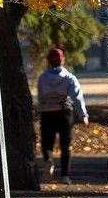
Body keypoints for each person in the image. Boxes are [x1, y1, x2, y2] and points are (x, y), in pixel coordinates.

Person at [37, 46, 88, 185]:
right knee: (65, 145)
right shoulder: (69, 78)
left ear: (49, 61)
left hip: (47, 112)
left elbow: (40, 96)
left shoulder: (43, 77)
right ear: (62, 60)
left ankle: (48, 160)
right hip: (64, 112)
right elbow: (77, 97)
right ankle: (65, 175)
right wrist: (83, 115)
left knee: (47, 143)